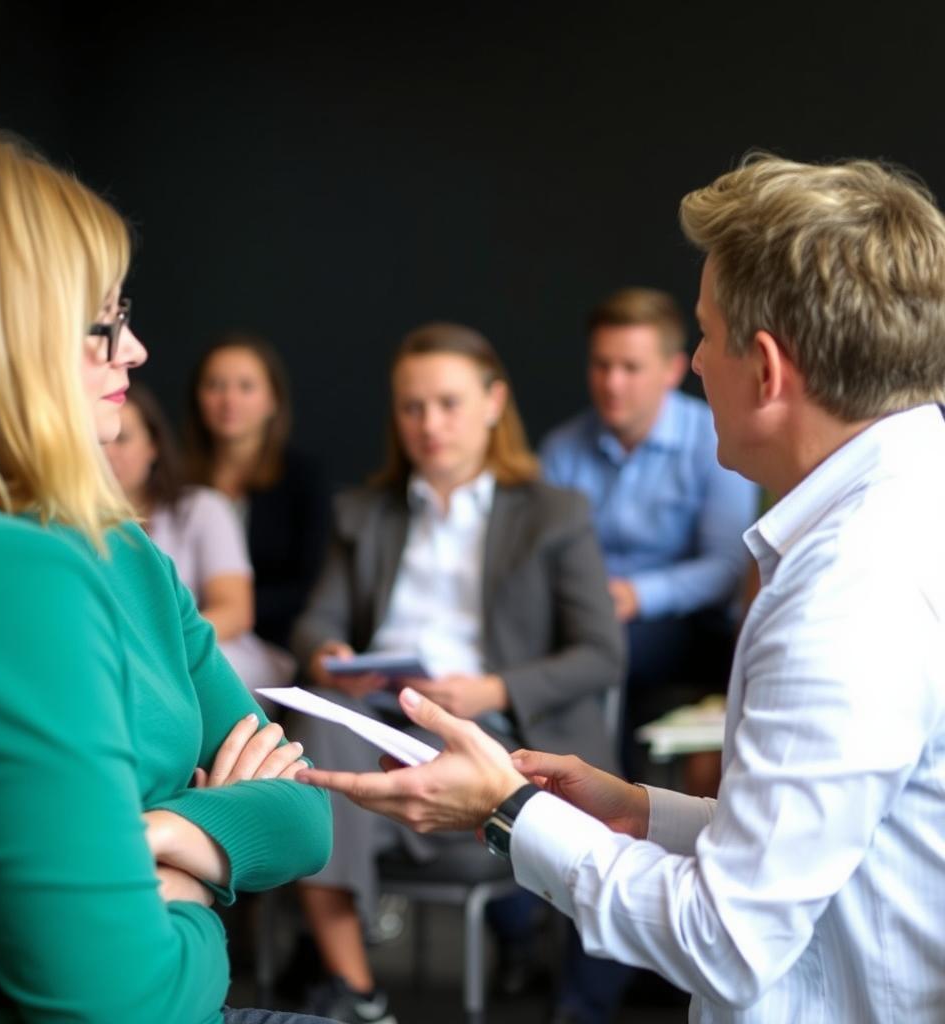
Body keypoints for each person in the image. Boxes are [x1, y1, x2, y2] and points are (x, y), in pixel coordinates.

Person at [299, 154, 945, 1023]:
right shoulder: (901, 510)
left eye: (706, 338)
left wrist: (509, 812)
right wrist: (637, 808)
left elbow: (725, 937)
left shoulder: (846, 596)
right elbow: (821, 841)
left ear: (766, 369)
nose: (694, 369)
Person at [0, 126, 333, 1024]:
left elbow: (304, 818)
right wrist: (199, 892)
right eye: (104, 326)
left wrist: (163, 838)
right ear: (7, 344)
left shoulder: (120, 550)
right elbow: (117, 1005)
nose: (136, 352)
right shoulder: (1, 570)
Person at [287, 322, 625, 1023]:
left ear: (494, 401)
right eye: (412, 407)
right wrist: (333, 660)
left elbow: (602, 651)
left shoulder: (553, 514)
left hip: (489, 726)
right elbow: (316, 624)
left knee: (314, 773)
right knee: (311, 727)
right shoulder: (365, 513)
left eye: (447, 403)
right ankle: (358, 992)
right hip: (377, 712)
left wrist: (490, 689)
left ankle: (351, 990)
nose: (428, 424)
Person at [539, 288, 758, 776]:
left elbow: (727, 570)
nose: (613, 383)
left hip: (685, 632)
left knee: (603, 653)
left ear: (673, 369)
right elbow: (538, 560)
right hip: (585, 621)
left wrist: (635, 596)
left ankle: (599, 798)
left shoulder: (712, 440)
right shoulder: (561, 449)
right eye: (601, 365)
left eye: (631, 368)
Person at [105, 382, 294, 688]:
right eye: (98, 441)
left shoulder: (203, 508)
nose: (107, 453)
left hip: (206, 650)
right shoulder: (66, 524)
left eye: (121, 439)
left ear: (153, 445)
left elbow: (235, 611)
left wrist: (157, 646)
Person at [188, 334, 330, 649]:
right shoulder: (176, 478)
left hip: (272, 640)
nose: (229, 400)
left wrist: (234, 612)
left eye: (246, 387)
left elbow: (309, 584)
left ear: (273, 400)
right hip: (188, 630)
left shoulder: (303, 477)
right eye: (215, 385)